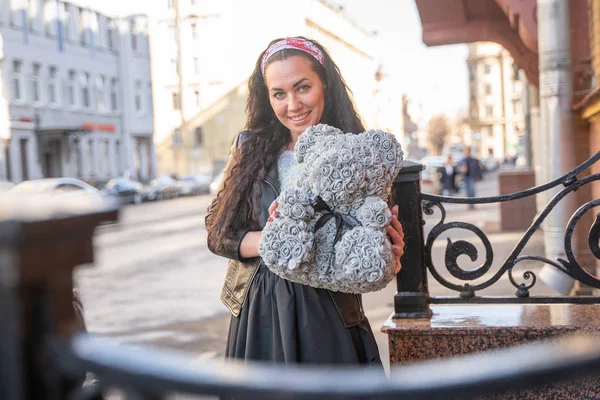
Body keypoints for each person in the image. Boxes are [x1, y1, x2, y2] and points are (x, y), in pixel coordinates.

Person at [205, 37, 405, 368]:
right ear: (267, 97)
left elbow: (377, 239)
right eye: (279, 94)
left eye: (303, 87)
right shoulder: (250, 149)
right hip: (260, 311)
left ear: (324, 84)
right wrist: (275, 239)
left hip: (332, 310)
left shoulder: (358, 153)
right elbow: (219, 235)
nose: (293, 104)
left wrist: (393, 248)